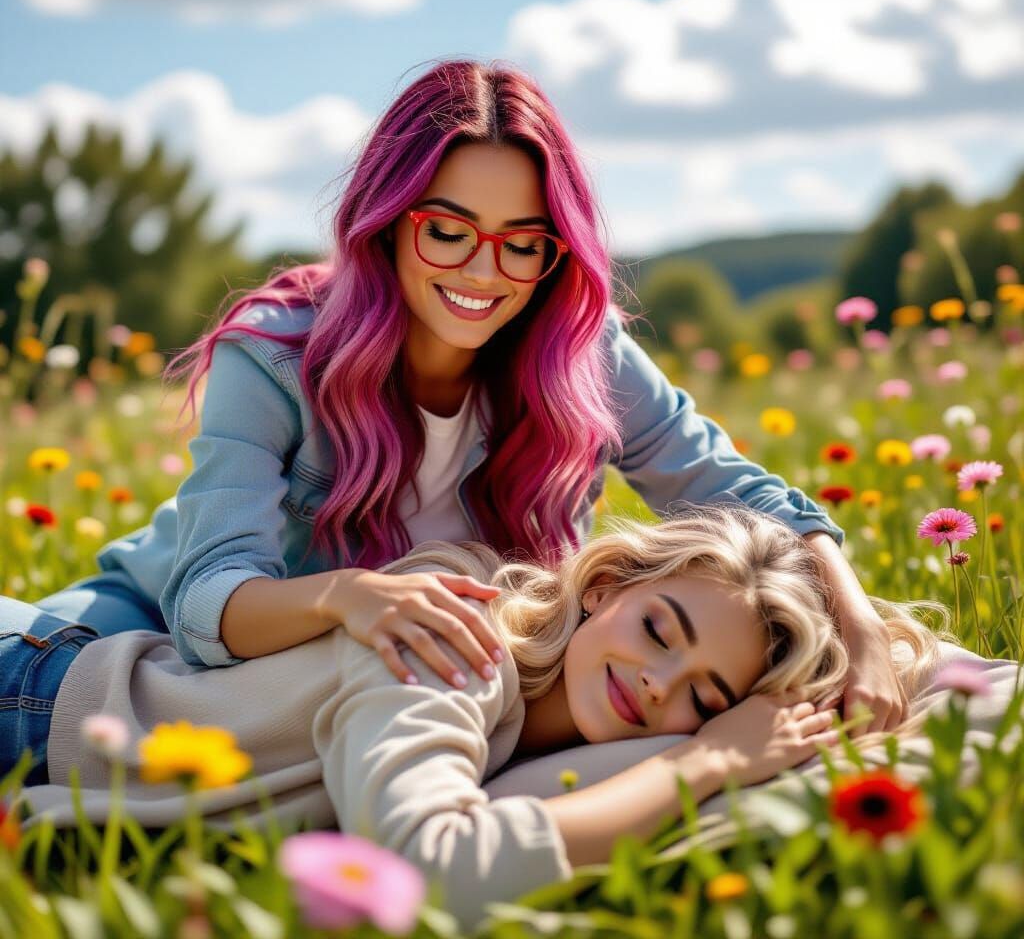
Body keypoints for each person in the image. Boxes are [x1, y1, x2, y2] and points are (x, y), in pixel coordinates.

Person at [31, 57, 904, 735]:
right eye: (447, 232)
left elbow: (743, 496)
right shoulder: (276, 357)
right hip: (133, 628)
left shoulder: (581, 352)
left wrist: (863, 633)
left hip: (367, 687)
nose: (485, 272)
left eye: (523, 243)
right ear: (386, 221)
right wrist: (346, 595)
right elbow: (205, 603)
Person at [7, 504, 949, 929]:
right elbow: (429, 871)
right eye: (661, 629)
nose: (660, 687)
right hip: (33, 705)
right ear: (607, 585)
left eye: (705, 698)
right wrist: (705, 763)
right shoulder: (456, 639)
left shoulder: (547, 725)